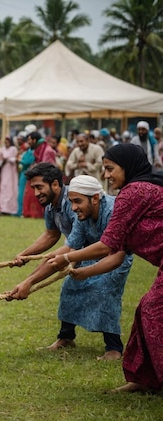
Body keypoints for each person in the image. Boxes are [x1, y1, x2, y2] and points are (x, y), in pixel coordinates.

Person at [48, 144, 163, 392]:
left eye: (110, 169)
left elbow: (107, 246)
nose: (107, 175)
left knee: (153, 311)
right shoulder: (138, 190)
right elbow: (117, 250)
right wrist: (80, 270)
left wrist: (68, 260)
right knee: (147, 309)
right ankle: (144, 380)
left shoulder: (134, 192)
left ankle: (146, 376)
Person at [9, 174, 132, 359]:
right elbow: (70, 246)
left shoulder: (113, 211)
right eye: (71, 202)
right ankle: (66, 337)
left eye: (77, 201)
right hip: (88, 254)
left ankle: (113, 347)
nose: (73, 208)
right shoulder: (81, 215)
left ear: (95, 198)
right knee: (70, 287)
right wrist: (29, 281)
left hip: (117, 257)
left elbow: (108, 249)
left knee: (104, 289)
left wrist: (70, 260)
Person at [22, 132, 56, 218]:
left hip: (45, 178)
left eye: (29, 140)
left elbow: (48, 166)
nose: (28, 142)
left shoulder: (47, 150)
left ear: (34, 140)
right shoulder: (39, 149)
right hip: (37, 176)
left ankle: (37, 214)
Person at [0, 136, 18, 215]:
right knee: (3, 188)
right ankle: (3, 208)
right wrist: (3, 161)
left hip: (11, 172)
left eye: (7, 142)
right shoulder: (2, 149)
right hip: (4, 171)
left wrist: (8, 159)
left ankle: (10, 209)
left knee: (10, 189)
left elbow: (15, 159)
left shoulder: (13, 149)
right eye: (5, 142)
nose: (6, 143)